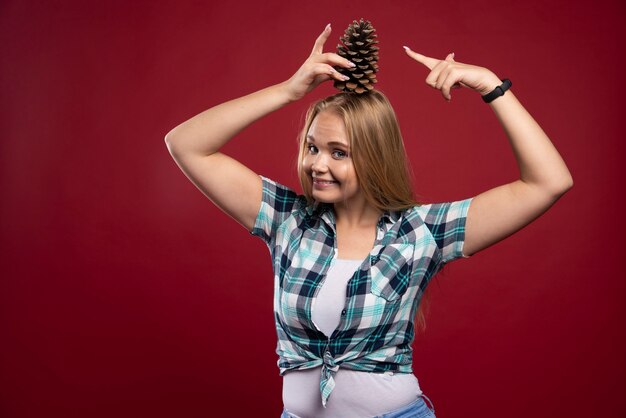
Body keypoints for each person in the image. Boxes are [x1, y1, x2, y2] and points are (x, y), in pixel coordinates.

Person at [165, 23, 572, 418]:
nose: (316, 165)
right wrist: (287, 92)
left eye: (338, 152)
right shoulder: (287, 219)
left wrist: (490, 86)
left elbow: (548, 182)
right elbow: (185, 145)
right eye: (312, 147)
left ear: (374, 158)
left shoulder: (420, 232)